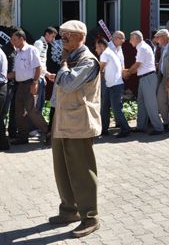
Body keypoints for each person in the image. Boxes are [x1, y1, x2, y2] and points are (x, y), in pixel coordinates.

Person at [48, 20, 101, 238]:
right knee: (62, 170)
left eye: (67, 36)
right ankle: (69, 210)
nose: (63, 40)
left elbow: (69, 83)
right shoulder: (70, 58)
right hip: (63, 121)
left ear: (80, 37)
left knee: (82, 171)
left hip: (79, 122)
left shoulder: (88, 60)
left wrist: (62, 68)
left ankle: (90, 216)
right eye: (62, 36)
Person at [9, 30, 49, 145]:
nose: (13, 42)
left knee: (31, 111)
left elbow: (37, 68)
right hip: (20, 85)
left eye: (15, 40)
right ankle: (22, 137)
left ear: (22, 39)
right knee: (19, 112)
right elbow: (16, 72)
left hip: (30, 84)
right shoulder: (18, 52)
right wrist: (2, 76)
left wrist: (35, 83)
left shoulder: (31, 50)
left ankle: (48, 132)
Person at [123, 31, 163, 135]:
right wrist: (129, 71)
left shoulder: (142, 48)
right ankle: (141, 126)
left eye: (131, 38)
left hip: (147, 78)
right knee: (141, 103)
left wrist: (127, 72)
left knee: (150, 104)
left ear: (136, 38)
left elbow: (137, 65)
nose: (130, 41)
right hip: (145, 78)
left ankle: (158, 128)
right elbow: (139, 66)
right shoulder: (142, 47)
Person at [95, 38, 130, 138]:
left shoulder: (105, 54)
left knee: (116, 109)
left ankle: (125, 129)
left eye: (97, 47)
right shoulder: (110, 52)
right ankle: (104, 129)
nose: (96, 50)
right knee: (104, 107)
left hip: (115, 85)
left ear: (101, 46)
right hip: (110, 85)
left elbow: (100, 69)